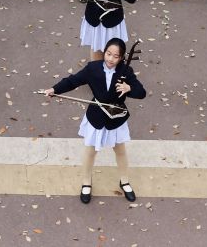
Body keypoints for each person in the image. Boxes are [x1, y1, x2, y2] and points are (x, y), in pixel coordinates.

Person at [47, 38, 145, 205]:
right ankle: (86, 182)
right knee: (90, 151)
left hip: (116, 116)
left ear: (121, 57)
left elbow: (141, 92)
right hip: (97, 115)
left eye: (115, 56)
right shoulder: (93, 68)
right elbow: (73, 81)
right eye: (108, 54)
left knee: (120, 151)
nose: (110, 59)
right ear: (104, 52)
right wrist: (54, 89)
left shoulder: (126, 71)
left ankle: (124, 181)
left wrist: (129, 89)